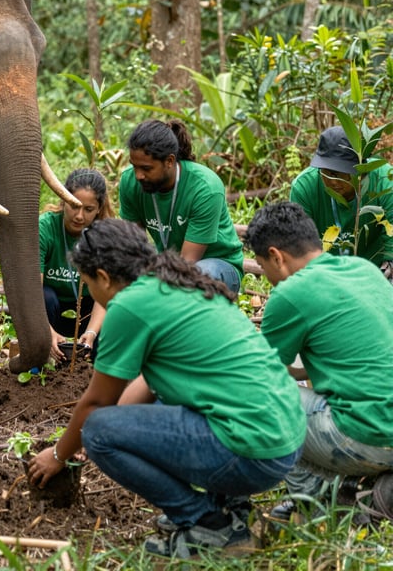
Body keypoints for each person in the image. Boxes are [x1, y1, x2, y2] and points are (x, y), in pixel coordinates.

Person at [27, 219, 305, 560]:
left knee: (98, 431)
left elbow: (97, 404)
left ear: (102, 277)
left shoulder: (129, 305)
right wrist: (108, 432)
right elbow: (144, 385)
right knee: (118, 423)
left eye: (87, 282)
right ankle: (233, 509)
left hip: (252, 451)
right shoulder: (180, 284)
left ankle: (208, 523)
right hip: (285, 439)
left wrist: (58, 454)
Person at [244, 202, 393, 518]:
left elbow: (259, 377)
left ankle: (321, 505)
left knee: (263, 399)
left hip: (371, 433)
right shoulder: (363, 268)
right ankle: (369, 488)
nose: (265, 276)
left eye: (262, 265)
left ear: (276, 257)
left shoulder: (289, 294)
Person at [118, 119, 244, 294]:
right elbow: (132, 248)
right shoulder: (130, 182)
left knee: (194, 280)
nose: (138, 175)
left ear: (169, 161)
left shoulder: (204, 187)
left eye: (146, 168)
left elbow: (187, 264)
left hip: (217, 265)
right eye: (134, 166)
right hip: (167, 263)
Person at [290, 125, 393, 279]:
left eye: (341, 173)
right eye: (327, 172)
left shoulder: (384, 180)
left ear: (361, 171)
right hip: (328, 274)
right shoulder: (304, 188)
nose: (333, 181)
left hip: (377, 271)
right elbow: (301, 250)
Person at [40, 168, 113, 359]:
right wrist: (47, 332)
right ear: (63, 200)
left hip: (88, 314)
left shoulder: (105, 236)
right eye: (74, 206)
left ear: (98, 209)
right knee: (45, 296)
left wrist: (91, 333)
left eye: (88, 210)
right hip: (49, 313)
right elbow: (30, 290)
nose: (79, 216)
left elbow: (105, 295)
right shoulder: (45, 228)